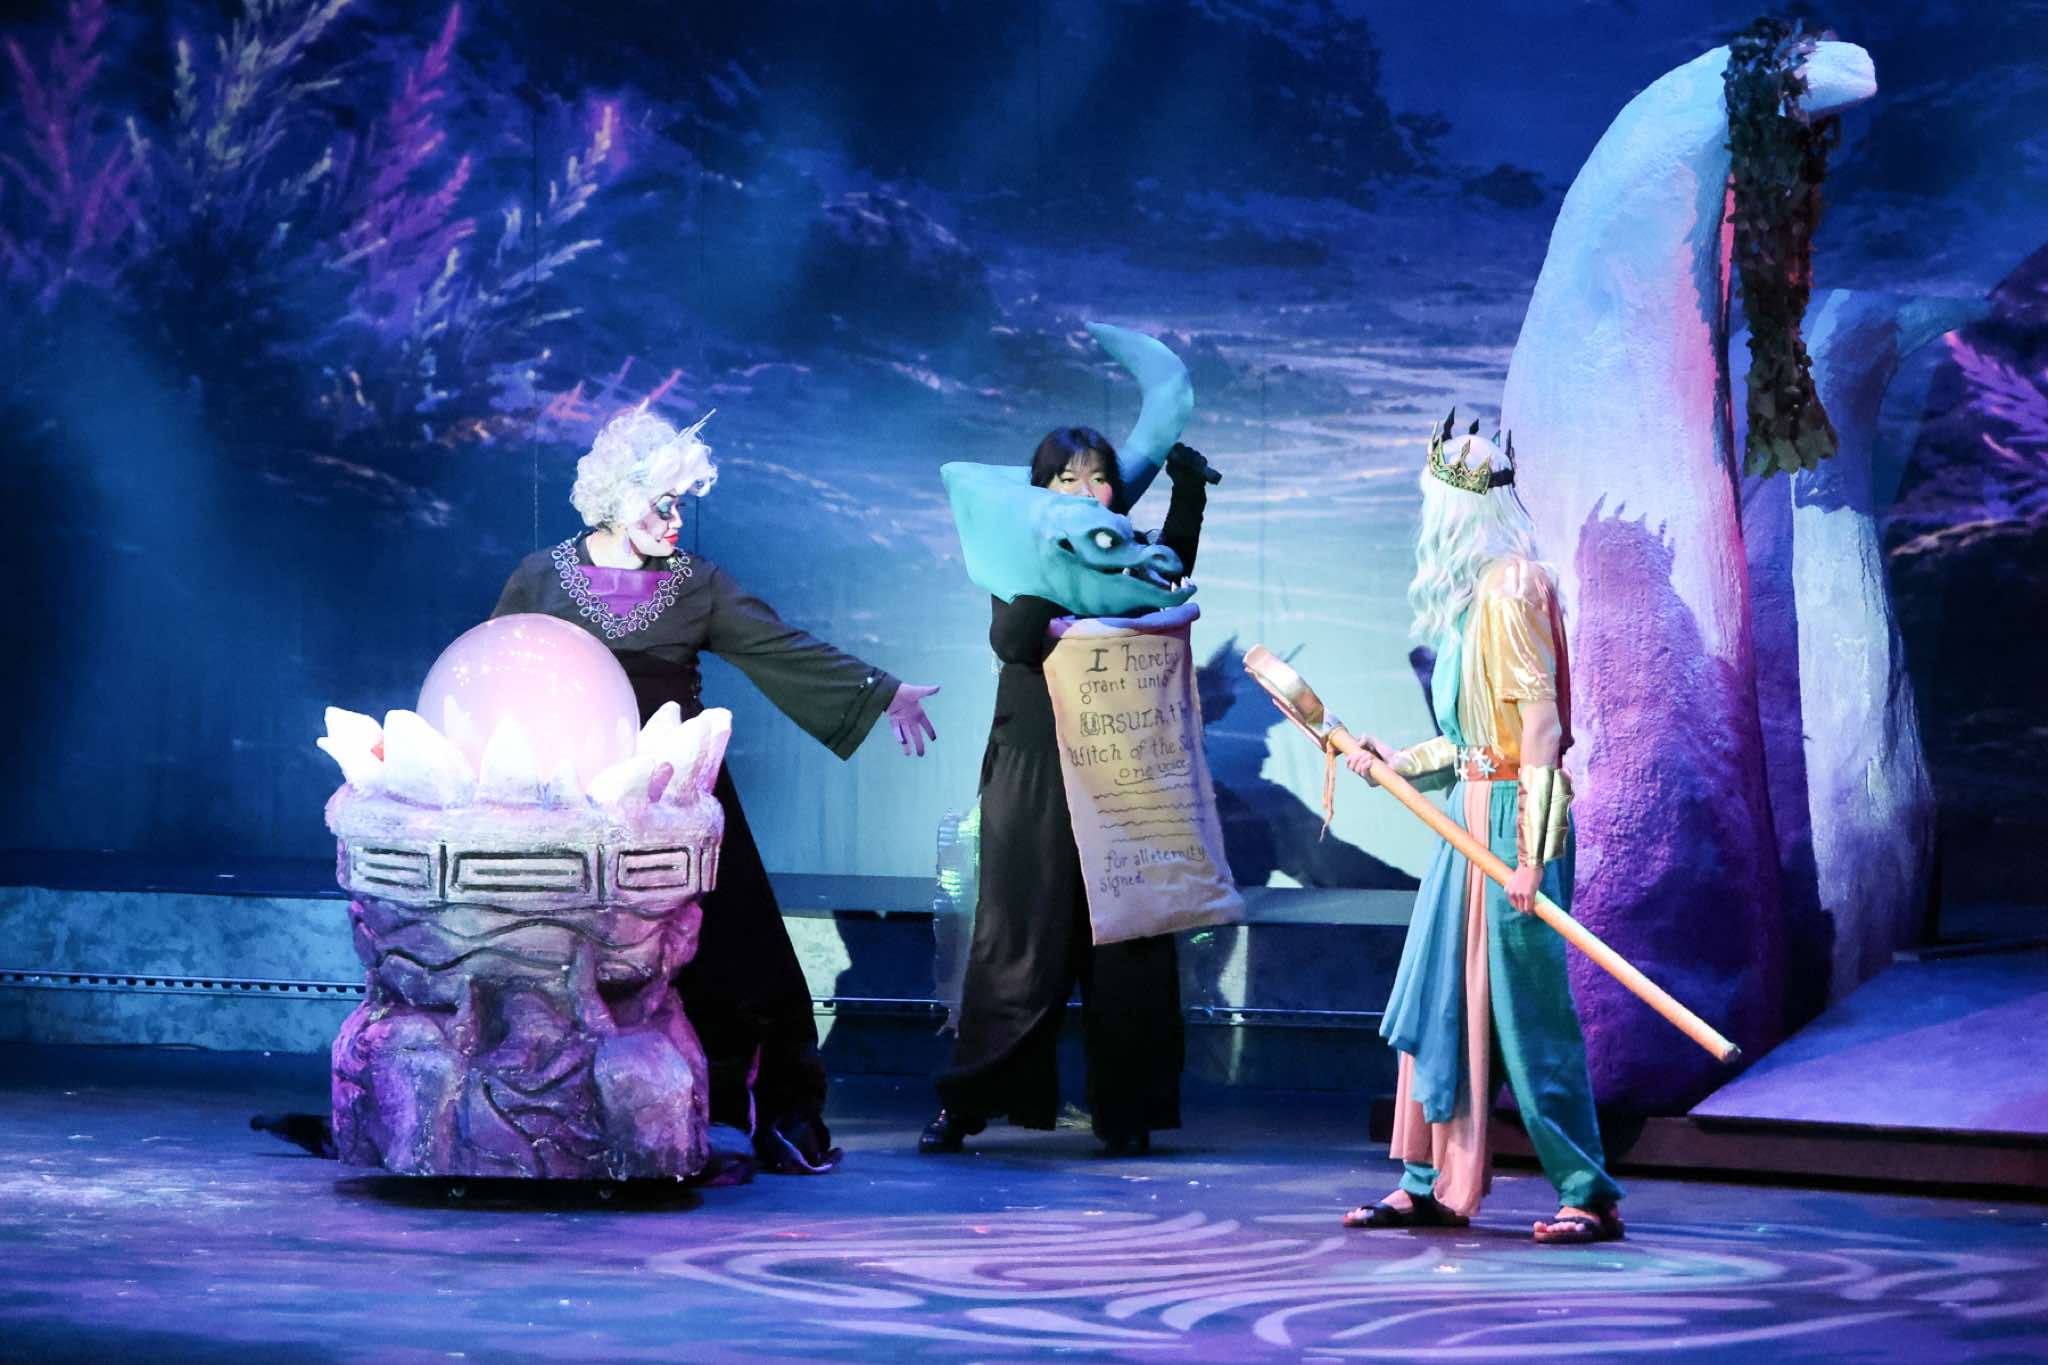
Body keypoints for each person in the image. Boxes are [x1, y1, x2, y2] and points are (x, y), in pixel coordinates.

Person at [493, 408, 940, 1176]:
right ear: (614, 497)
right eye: (660, 504)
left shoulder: (695, 584)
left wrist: (881, 692)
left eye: (680, 504)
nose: (675, 521)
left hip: (679, 795)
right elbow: (497, 674)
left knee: (743, 951)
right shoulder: (540, 577)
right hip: (579, 797)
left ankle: (763, 1111)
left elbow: (778, 647)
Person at [1342, 415, 1624, 1244]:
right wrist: (1399, 761)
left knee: (1529, 1013)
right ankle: (1425, 1180)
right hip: (1466, 821)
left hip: (1511, 823)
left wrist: (1532, 854)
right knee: (1440, 998)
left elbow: (1540, 731)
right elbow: (1473, 747)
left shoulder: (1512, 588)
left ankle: (1588, 1190)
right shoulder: (1474, 598)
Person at [921, 427, 1213, 1157]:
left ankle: (1128, 1110)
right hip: (1036, 765)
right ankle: (970, 1102)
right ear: (1041, 491)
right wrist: (1056, 569)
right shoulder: (1015, 555)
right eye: (1067, 479)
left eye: (1099, 477)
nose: (1087, 492)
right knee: (1020, 935)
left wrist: (1188, 494)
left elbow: (1169, 572)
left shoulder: (1129, 557)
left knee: (1129, 932)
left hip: (1121, 761)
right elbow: (1013, 640)